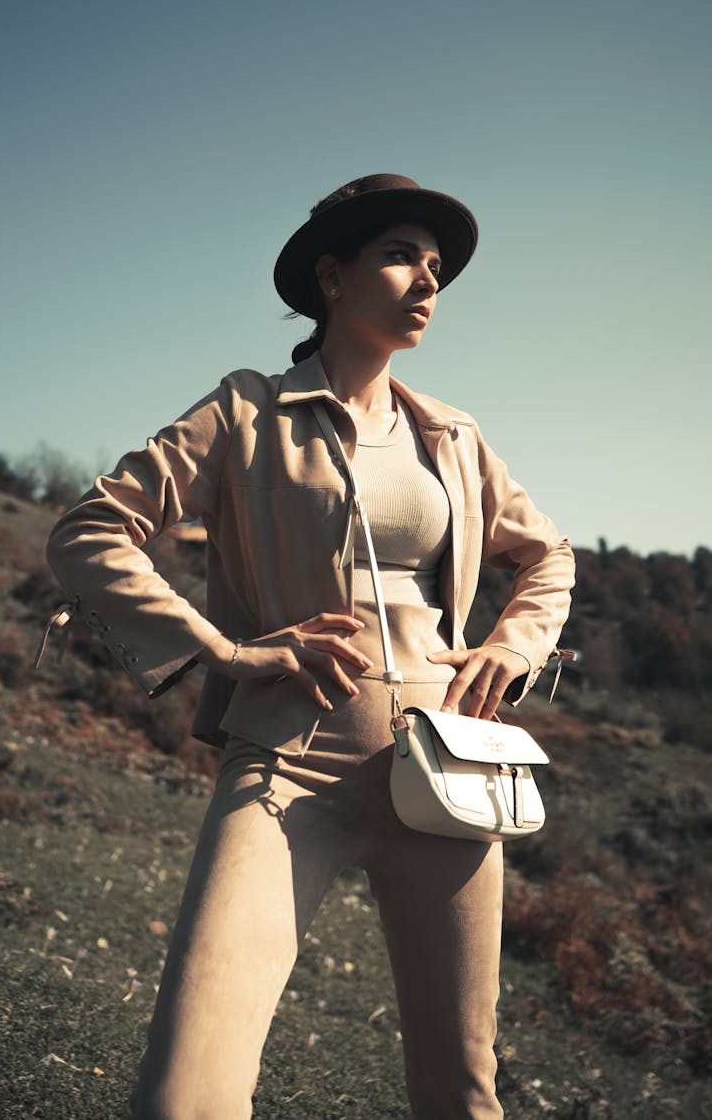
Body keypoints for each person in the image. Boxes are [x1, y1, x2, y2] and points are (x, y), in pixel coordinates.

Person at [43, 173, 575, 1119]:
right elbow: (90, 530)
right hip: (288, 768)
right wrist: (222, 648)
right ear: (332, 277)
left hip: (447, 773)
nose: (427, 282)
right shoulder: (245, 412)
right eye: (401, 256)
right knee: (184, 1093)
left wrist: (513, 645)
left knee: (462, 1095)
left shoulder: (451, 435)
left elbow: (549, 556)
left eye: (437, 266)